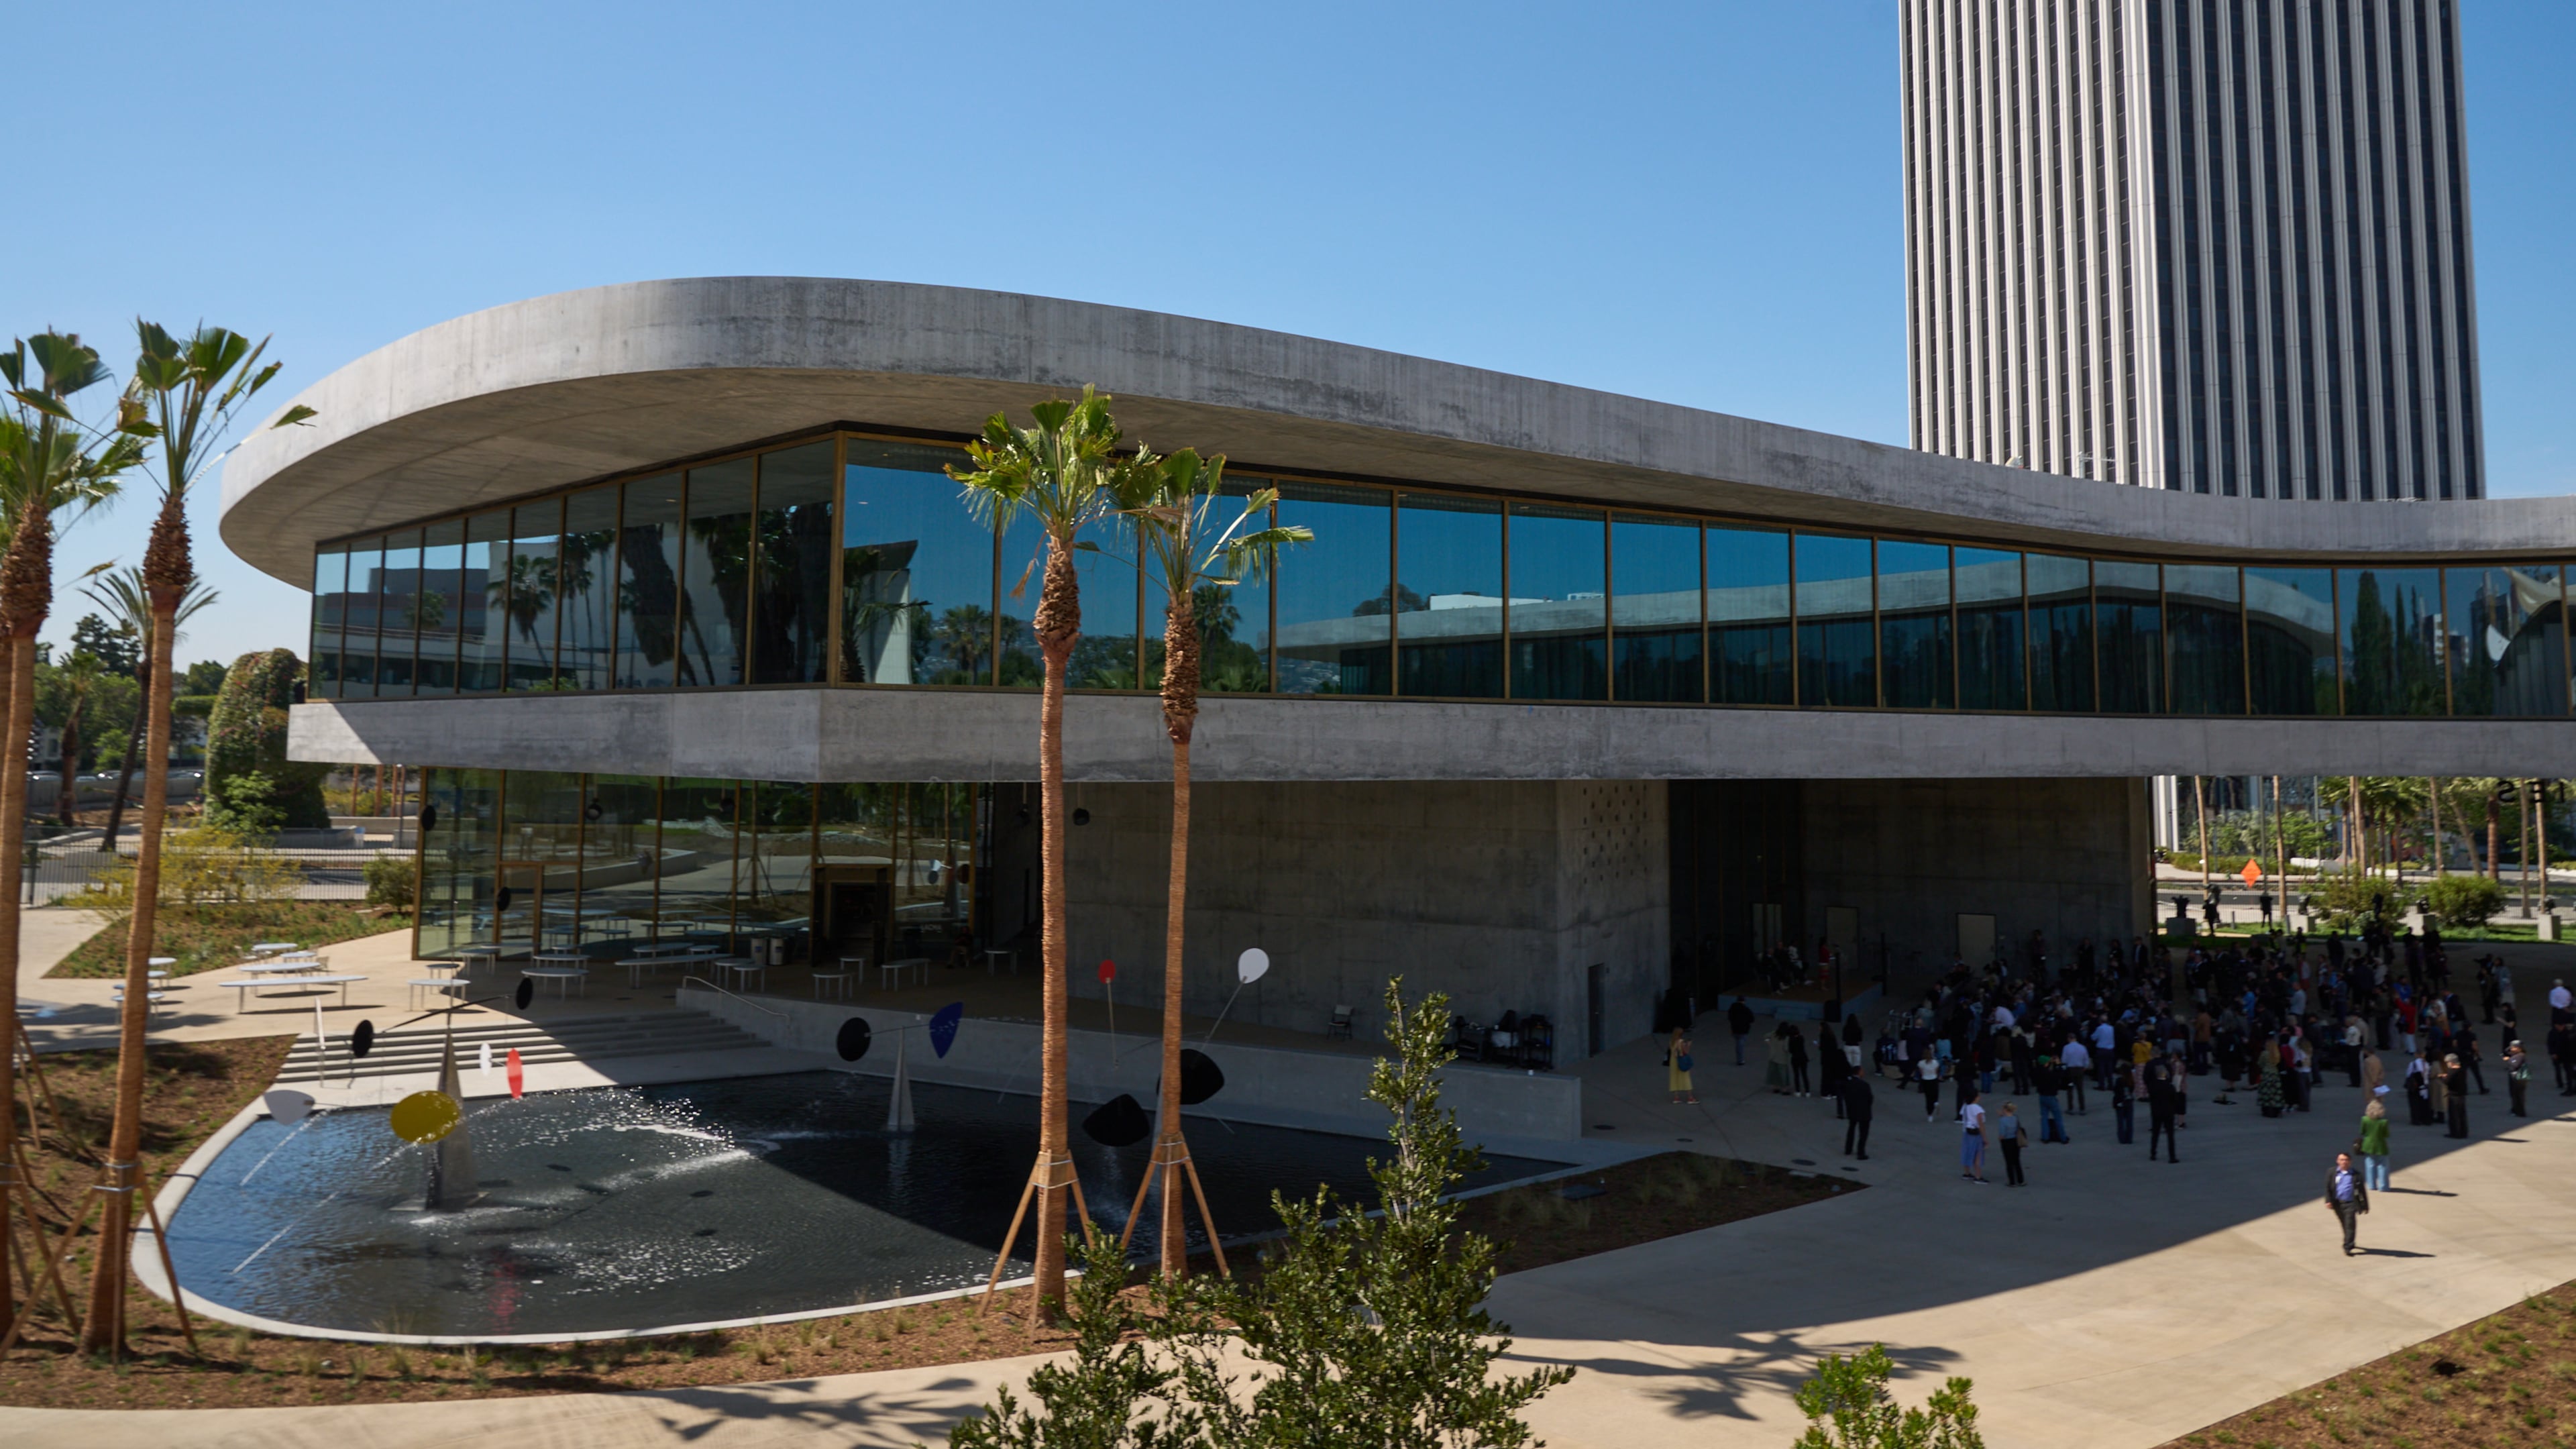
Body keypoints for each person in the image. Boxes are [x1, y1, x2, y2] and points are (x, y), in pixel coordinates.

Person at [2327, 1150, 2369, 1256]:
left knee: (2350, 1224)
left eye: (2346, 1160)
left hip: (2351, 1204)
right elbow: (2328, 1188)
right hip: (2337, 1203)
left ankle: (2348, 1246)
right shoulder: (2332, 1172)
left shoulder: (2356, 1175)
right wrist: (2328, 1201)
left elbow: (2362, 1191)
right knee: (2344, 1224)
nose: (2344, 1162)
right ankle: (2350, 1240)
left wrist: (2365, 1205)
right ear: (2338, 1161)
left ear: (2350, 1162)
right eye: (2342, 1160)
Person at [2146, 1061, 2180, 1163]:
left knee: (2155, 1134)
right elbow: (2175, 1100)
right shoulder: (2170, 1087)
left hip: (2156, 1112)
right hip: (2168, 1112)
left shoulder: (2152, 1086)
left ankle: (2153, 1153)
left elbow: (2151, 1099)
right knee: (2170, 1136)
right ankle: (2172, 1156)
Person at [2035, 1054, 2069, 1143]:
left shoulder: (2037, 1072)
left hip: (2042, 1096)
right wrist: (2058, 1064)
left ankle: (2045, 1137)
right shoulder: (2049, 1074)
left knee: (2044, 1117)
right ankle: (2063, 1138)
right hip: (2051, 1096)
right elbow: (2060, 1075)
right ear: (2045, 1064)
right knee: (2058, 1117)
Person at [1841, 1067, 1874, 1159]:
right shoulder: (1865, 1085)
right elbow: (1870, 1098)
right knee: (1863, 1133)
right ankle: (1861, 1152)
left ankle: (1848, 1149)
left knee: (1851, 1129)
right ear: (1859, 1072)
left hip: (1852, 1110)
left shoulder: (1848, 1084)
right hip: (1864, 1112)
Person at [1996, 1102, 2027, 1185]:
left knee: (2009, 1162)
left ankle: (2012, 1181)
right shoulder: (2015, 1118)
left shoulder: (2002, 1121)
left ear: (2005, 1110)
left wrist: (2000, 1139)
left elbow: (2002, 1134)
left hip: (2007, 1142)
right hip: (2016, 1141)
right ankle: (2021, 1180)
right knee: (2017, 1161)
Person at [1959, 1093, 1988, 1182]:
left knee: (1967, 1151)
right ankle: (1978, 1176)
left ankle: (1967, 1173)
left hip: (1967, 1132)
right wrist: (1985, 1139)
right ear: (1975, 1098)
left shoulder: (1965, 1107)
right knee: (1978, 1154)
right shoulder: (1977, 1109)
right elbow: (1981, 1124)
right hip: (1976, 1133)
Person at [1667, 1026, 1697, 1105]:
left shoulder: (1671, 1041)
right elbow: (1686, 1052)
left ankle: (1676, 1097)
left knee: (1674, 1078)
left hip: (1673, 1061)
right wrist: (1689, 1045)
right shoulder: (1681, 1042)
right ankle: (1690, 1098)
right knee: (1686, 1078)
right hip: (1681, 1061)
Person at [2444, 1053, 2470, 1138]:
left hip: (2453, 1096)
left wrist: (2444, 1077)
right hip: (2461, 1095)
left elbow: (2446, 1082)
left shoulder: (2452, 1072)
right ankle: (2463, 1132)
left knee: (2454, 1116)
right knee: (2462, 1115)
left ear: (2451, 1062)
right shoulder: (2463, 1070)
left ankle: (2455, 1133)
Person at [2506, 1039, 2530, 1118]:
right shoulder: (2515, 1055)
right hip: (2516, 1078)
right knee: (2514, 1095)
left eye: (2513, 1047)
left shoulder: (2520, 1055)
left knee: (2518, 1095)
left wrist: (2510, 1060)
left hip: (2519, 1079)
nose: (2511, 1048)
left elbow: (2515, 1065)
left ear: (2519, 1048)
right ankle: (2515, 1110)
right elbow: (2505, 1052)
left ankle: (2520, 1112)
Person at [1917, 1050, 1944, 1121]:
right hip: (1934, 1080)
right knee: (1935, 1093)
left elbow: (1921, 1073)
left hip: (1925, 1080)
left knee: (1928, 1098)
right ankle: (1936, 1102)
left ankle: (1930, 1115)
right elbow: (1936, 1072)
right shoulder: (1935, 1062)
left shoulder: (1921, 1063)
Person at [1728, 996, 1755, 1065]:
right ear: (1744, 1001)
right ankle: (1740, 1060)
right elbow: (1752, 1019)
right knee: (1740, 1045)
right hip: (1744, 1029)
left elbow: (1730, 1018)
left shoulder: (1732, 1009)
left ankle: (1740, 1059)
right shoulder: (1746, 1009)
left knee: (1738, 1044)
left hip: (1735, 1029)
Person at [1766, 1025, 1792, 1095]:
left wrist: (1769, 1043)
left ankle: (1775, 1088)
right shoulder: (1786, 1038)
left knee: (1775, 1073)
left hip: (1773, 1057)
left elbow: (1766, 1036)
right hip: (1782, 1058)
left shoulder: (1774, 1034)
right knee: (1783, 1075)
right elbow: (1786, 1049)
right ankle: (1784, 1089)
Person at [1788, 1024, 1811, 1097]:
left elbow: (1791, 1050)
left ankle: (1798, 1091)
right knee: (1804, 1075)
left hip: (1795, 1058)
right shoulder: (1801, 1038)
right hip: (1803, 1058)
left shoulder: (1791, 1040)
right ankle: (1807, 1091)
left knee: (1796, 1075)